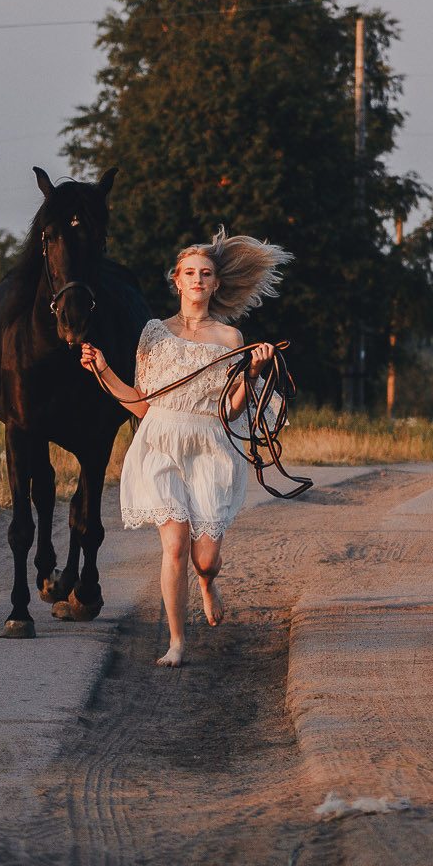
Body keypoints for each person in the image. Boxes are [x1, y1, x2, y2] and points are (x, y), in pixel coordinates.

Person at [79, 229, 289, 667]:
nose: (197, 280)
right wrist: (102, 369)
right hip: (159, 441)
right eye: (189, 272)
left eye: (206, 273)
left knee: (205, 557)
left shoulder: (231, 339)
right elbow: (140, 402)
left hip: (210, 447)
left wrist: (252, 374)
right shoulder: (153, 334)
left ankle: (207, 583)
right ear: (176, 280)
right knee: (174, 546)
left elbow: (230, 412)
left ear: (215, 284)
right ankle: (176, 642)